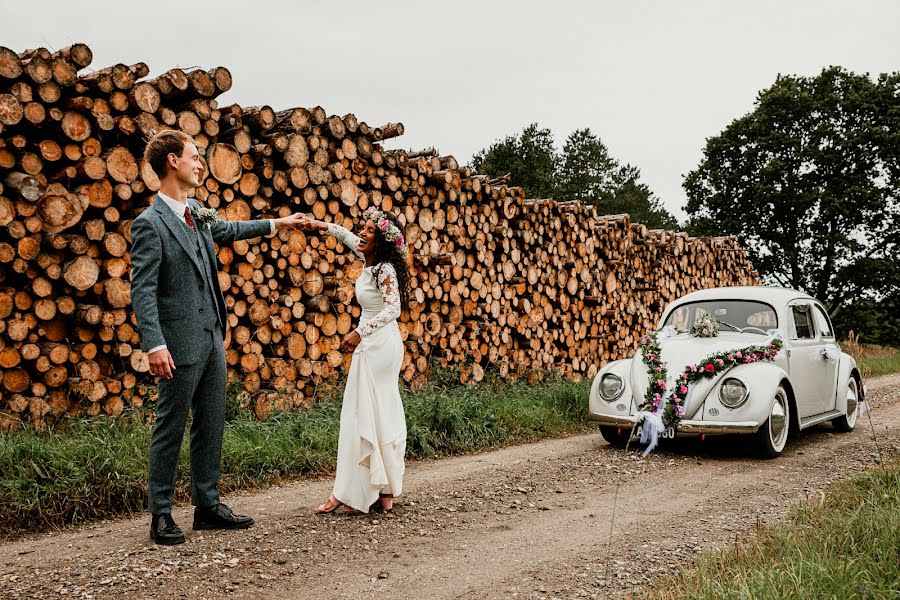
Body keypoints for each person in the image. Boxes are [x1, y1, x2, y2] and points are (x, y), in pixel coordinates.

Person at [131, 130, 304, 545]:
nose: (200, 162)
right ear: (172, 161)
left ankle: (207, 506)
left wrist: (277, 223)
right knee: (170, 427)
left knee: (210, 424)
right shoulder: (149, 224)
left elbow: (229, 229)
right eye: (194, 156)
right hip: (176, 345)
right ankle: (161, 514)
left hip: (211, 337)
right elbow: (143, 289)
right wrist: (154, 344)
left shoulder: (198, 213)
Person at [299, 209, 410, 514]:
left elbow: (393, 310)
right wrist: (317, 223)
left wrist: (359, 332)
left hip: (380, 345)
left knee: (364, 413)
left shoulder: (384, 269)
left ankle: (355, 492)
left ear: (382, 241)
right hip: (371, 342)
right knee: (373, 413)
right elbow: (344, 234)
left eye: (370, 230)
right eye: (363, 227)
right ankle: (382, 491)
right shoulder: (368, 259)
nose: (361, 233)